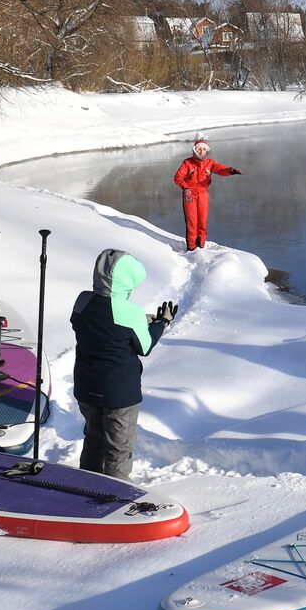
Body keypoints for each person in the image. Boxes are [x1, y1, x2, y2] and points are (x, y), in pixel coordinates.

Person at [70, 248, 177, 478]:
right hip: (119, 395)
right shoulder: (131, 313)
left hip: (87, 389)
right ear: (127, 281)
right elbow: (144, 346)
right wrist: (161, 323)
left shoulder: (82, 301)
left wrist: (142, 320)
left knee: (94, 441)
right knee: (118, 449)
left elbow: (107, 324)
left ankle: (86, 486)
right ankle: (115, 498)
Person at [173, 136, 242, 251]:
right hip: (189, 196)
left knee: (202, 223)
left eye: (204, 149)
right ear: (195, 150)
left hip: (203, 195)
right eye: (199, 149)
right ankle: (192, 249)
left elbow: (220, 169)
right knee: (192, 223)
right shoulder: (187, 163)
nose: (201, 151)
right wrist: (185, 188)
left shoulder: (210, 163)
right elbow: (177, 178)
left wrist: (230, 171)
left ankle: (201, 247)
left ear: (207, 151)